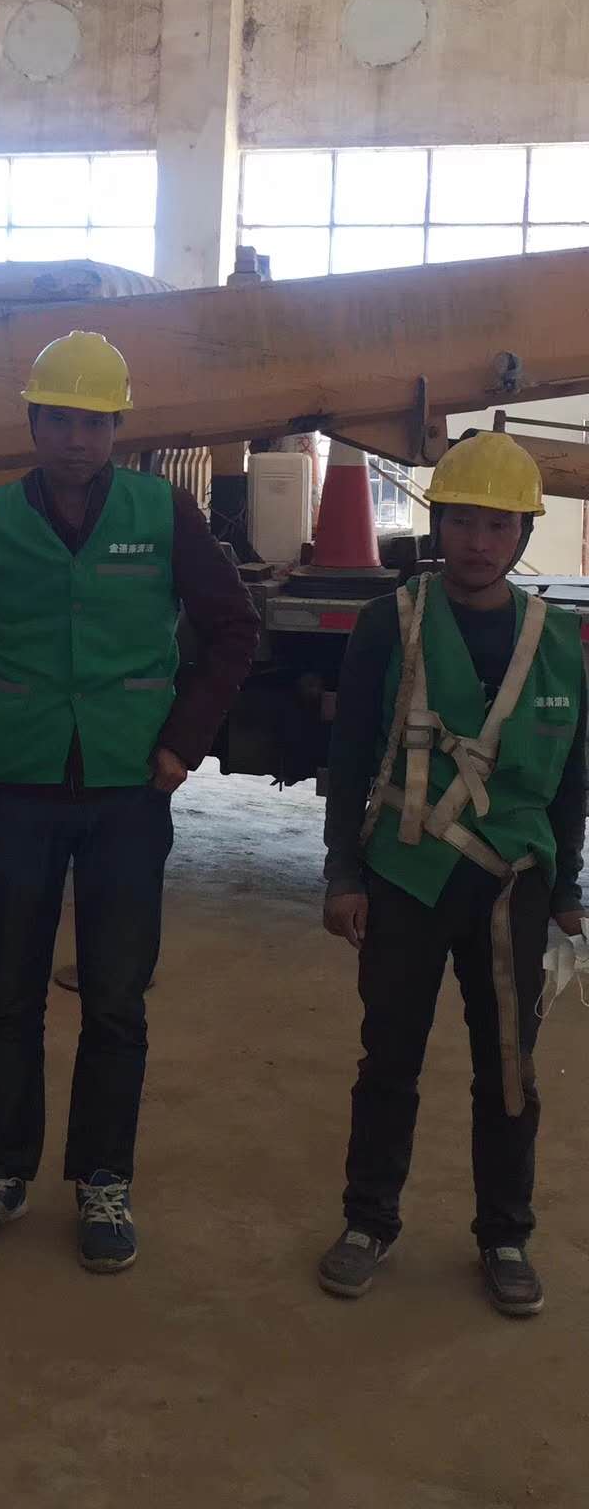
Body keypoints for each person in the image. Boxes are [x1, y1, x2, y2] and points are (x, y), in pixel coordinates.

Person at [0, 330, 259, 1273]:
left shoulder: (163, 511)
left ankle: (104, 1181)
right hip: (16, 787)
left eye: (95, 423)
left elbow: (234, 627)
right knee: (9, 994)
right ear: (32, 423)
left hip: (126, 792)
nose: (76, 439)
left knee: (115, 1001)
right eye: (59, 420)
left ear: (118, 431)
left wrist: (184, 741)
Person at [318, 431, 586, 1318]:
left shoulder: (559, 641)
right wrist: (342, 873)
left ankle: (505, 1236)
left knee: (508, 1069)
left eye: (499, 525)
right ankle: (368, 1222)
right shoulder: (388, 623)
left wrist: (568, 890)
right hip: (405, 874)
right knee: (388, 1058)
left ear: (522, 534)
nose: (479, 541)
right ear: (439, 525)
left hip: (514, 886)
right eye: (464, 521)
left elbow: (573, 775)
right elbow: (349, 757)